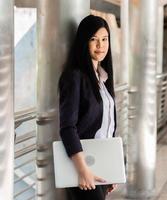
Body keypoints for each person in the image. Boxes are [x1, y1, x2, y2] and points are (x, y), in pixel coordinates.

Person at [58, 15, 117, 200]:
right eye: (94, 39)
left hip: (100, 163)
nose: (100, 45)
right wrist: (83, 170)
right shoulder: (75, 77)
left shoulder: (104, 78)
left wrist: (112, 169)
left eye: (104, 39)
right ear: (84, 42)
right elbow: (67, 127)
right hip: (83, 166)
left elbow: (108, 128)